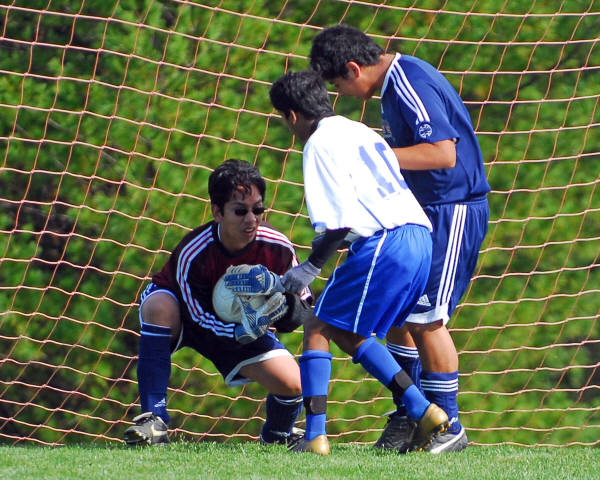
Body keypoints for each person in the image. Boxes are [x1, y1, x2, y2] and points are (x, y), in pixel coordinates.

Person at [238, 69, 449, 455]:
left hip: (386, 241)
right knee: (344, 330)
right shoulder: (361, 131)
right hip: (420, 238)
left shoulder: (319, 143)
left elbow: (339, 224)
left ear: (292, 115)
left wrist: (309, 267)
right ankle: (421, 409)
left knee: (317, 326)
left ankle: (317, 436)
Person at [309, 24, 491, 453]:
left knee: (427, 319)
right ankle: (412, 417)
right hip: (425, 211)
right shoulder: (392, 88)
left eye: (339, 85)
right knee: (400, 316)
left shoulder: (409, 80)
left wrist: (375, 155)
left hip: (452, 208)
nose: (342, 94)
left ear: (354, 69)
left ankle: (450, 426)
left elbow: (443, 153)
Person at [123, 159, 313, 447]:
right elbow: (198, 316)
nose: (251, 219)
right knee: (158, 306)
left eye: (257, 210)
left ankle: (277, 438)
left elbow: (304, 304)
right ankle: (153, 420)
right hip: (187, 316)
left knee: (294, 383)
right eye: (240, 211)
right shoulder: (194, 251)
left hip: (240, 327)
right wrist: (241, 331)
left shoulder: (277, 247)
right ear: (217, 212)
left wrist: (285, 309)